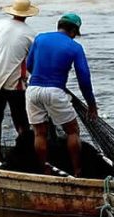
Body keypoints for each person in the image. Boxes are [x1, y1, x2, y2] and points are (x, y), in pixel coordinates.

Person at [25, 13, 98, 177]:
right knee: (72, 131)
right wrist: (91, 104)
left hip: (33, 89)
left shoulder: (40, 38)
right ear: (73, 30)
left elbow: (29, 65)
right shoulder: (75, 47)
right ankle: (78, 172)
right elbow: (84, 79)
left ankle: (45, 171)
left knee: (39, 133)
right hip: (55, 91)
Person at [0, 0, 38, 166]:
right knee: (21, 123)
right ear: (28, 14)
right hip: (14, 83)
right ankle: (23, 157)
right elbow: (31, 63)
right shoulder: (31, 34)